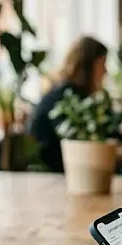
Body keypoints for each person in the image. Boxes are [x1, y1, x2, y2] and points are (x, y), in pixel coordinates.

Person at [29, 36, 109, 172]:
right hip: (52, 172)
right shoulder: (68, 99)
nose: (105, 71)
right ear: (89, 66)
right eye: (102, 64)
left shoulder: (70, 93)